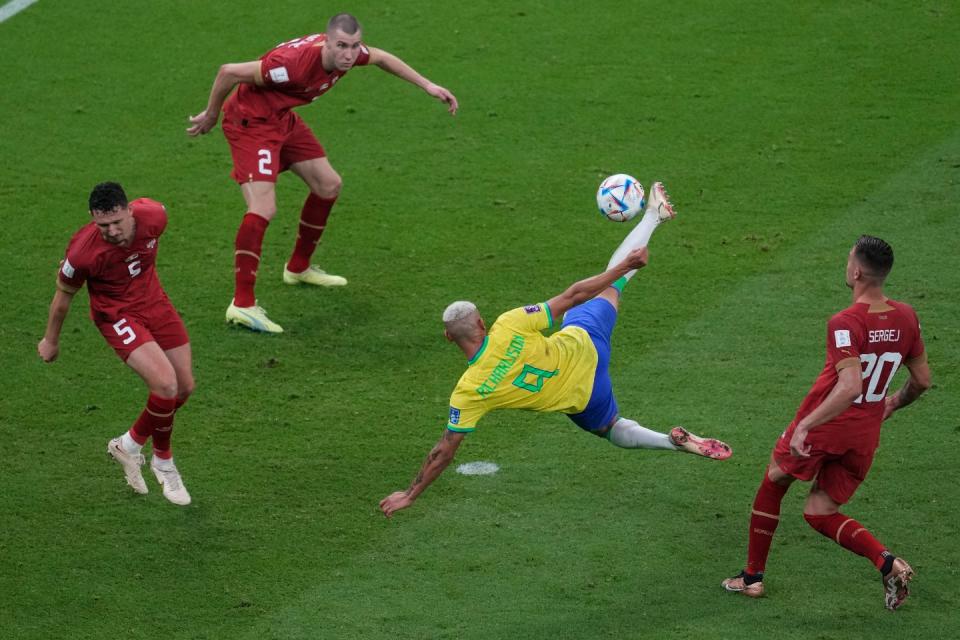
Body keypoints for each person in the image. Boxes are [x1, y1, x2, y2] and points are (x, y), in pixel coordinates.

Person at [380, 183, 732, 518]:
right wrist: (626, 266)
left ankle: (668, 442)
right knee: (610, 283)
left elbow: (444, 450)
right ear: (482, 323)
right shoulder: (510, 323)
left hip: (583, 396)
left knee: (610, 428)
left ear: (448, 337)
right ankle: (653, 216)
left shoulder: (470, 391)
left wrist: (410, 494)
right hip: (586, 344)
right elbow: (572, 294)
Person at [187, 13, 459, 334]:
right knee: (263, 207)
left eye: (354, 46)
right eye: (341, 46)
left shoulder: (351, 56)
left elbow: (382, 58)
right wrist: (211, 116)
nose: (349, 54)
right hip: (251, 124)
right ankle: (242, 305)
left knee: (328, 185)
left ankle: (298, 268)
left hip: (281, 119)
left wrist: (428, 85)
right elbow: (229, 72)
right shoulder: (292, 64)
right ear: (326, 43)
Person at [721, 235, 931, 611]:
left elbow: (849, 386)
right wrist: (892, 403)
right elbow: (922, 381)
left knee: (775, 479)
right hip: (865, 434)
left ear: (856, 271)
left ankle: (752, 579)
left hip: (827, 426)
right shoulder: (907, 316)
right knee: (819, 512)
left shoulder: (845, 321)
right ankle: (888, 562)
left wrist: (806, 425)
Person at [38, 182, 194, 506]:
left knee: (184, 388)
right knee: (165, 384)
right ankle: (163, 463)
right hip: (117, 315)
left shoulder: (154, 216)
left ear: (129, 211)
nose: (110, 231)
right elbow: (63, 299)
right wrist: (50, 339)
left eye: (116, 222)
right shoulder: (82, 252)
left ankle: (128, 444)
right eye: (102, 225)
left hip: (155, 303)